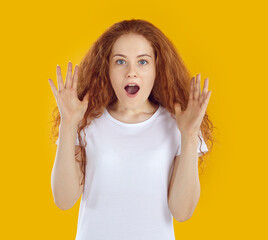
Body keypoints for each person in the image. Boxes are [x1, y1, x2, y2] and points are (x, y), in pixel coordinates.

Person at [49, 19, 215, 240]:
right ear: (106, 68)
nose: (131, 72)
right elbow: (64, 199)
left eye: (143, 62)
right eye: (120, 61)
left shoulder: (178, 124)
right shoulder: (86, 120)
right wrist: (68, 123)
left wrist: (190, 135)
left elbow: (182, 212)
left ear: (158, 68)